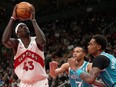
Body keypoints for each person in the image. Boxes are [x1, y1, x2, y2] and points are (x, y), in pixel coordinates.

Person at [2, 4, 48, 87]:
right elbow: (4, 40)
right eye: (21, 27)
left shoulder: (36, 40)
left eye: (25, 26)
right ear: (18, 34)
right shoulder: (16, 44)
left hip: (40, 82)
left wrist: (33, 20)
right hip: (24, 84)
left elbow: (42, 42)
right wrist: (12, 18)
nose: (24, 27)